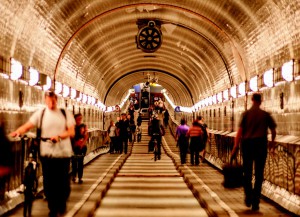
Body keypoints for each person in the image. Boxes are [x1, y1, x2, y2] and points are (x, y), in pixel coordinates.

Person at [10, 90, 75, 217]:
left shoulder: (64, 113)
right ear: (45, 100)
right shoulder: (41, 113)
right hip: (46, 153)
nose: (51, 103)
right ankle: (53, 207)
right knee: (49, 181)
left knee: (62, 181)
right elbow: (28, 126)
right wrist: (17, 132)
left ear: (56, 99)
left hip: (63, 153)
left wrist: (59, 137)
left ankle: (62, 201)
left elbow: (71, 132)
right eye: (48, 100)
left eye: (53, 100)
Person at [231, 92, 276, 211]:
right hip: (261, 145)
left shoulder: (246, 114)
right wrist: (271, 143)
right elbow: (273, 130)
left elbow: (240, 132)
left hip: (247, 145)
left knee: (247, 173)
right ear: (260, 101)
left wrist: (235, 147)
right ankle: (256, 201)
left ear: (252, 100)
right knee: (259, 174)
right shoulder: (265, 115)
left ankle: (248, 196)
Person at [72, 113, 88, 184]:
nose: (79, 120)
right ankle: (74, 176)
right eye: (78, 118)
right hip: (73, 147)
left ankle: (80, 177)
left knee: (80, 162)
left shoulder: (84, 126)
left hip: (82, 147)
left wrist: (82, 144)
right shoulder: (72, 126)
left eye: (80, 118)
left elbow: (86, 136)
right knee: (74, 162)